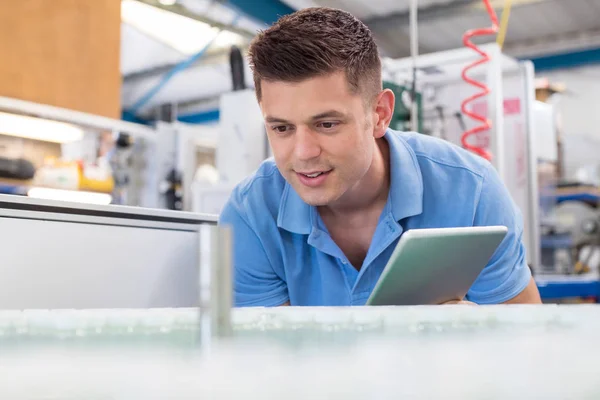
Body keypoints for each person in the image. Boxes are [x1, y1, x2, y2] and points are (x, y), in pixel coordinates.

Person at [218, 7, 542, 307]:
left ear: (380, 113)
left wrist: (476, 334)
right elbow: (267, 359)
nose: (303, 153)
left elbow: (528, 341)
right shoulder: (251, 215)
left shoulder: (472, 193)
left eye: (327, 124)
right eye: (282, 128)